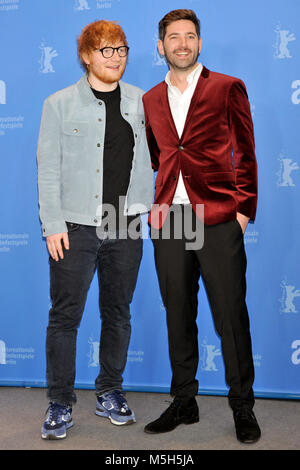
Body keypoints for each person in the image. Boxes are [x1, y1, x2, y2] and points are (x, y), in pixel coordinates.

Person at [142, 9, 261, 443]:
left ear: (199, 42)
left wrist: (243, 209)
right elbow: (159, 156)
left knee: (231, 315)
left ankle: (243, 406)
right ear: (161, 46)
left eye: (190, 36)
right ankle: (184, 401)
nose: (182, 44)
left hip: (217, 218)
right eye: (174, 37)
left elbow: (246, 152)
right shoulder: (151, 98)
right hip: (170, 220)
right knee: (178, 313)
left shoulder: (228, 87)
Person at [37, 20, 153, 440]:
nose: (116, 57)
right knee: (65, 317)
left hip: (125, 224)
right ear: (86, 55)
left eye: (121, 49)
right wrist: (52, 224)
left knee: (117, 314)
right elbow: (48, 170)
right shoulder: (59, 103)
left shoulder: (144, 101)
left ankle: (110, 391)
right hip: (75, 225)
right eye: (106, 50)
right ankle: (59, 402)